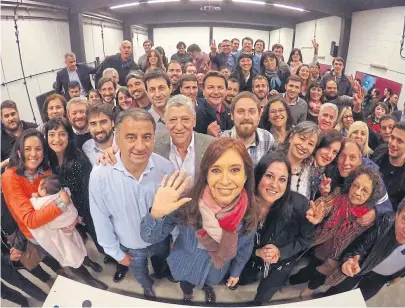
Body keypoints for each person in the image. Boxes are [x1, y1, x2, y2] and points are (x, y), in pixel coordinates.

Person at [140, 137, 259, 304]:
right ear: (206, 174)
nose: (225, 181)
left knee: (208, 284)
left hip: (215, 271)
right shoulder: (188, 202)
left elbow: (245, 248)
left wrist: (236, 271)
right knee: (186, 286)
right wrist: (156, 214)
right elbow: (149, 237)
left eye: (234, 170)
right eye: (216, 170)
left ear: (246, 175)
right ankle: (188, 295)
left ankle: (207, 288)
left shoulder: (249, 212)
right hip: (185, 266)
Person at [1, 129, 107, 289]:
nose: (33, 154)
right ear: (19, 151)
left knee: (76, 243)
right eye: (27, 148)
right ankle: (89, 280)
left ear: (44, 152)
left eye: (38, 149)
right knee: (67, 254)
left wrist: (70, 217)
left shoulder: (44, 170)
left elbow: (57, 193)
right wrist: (61, 205)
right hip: (42, 231)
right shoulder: (10, 177)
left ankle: (88, 261)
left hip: (58, 220)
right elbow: (31, 220)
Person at [90, 109, 174, 299]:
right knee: (140, 273)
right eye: (130, 137)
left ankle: (161, 273)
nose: (140, 145)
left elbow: (173, 211)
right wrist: (116, 253)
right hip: (131, 245)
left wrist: (174, 238)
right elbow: (100, 218)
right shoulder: (101, 175)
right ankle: (147, 287)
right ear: (117, 140)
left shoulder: (165, 168)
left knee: (161, 263)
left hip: (161, 240)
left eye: (147, 137)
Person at [290, 165, 384, 297]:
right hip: (321, 247)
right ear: (350, 184)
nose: (357, 192)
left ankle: (311, 288)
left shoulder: (368, 219)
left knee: (321, 277)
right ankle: (293, 282)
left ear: (370, 196)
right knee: (310, 268)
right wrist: (317, 212)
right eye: (356, 186)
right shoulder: (339, 194)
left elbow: (361, 245)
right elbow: (326, 204)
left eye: (364, 191)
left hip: (338, 257)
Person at [235, 152, 314, 304]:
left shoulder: (299, 205)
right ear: (258, 176)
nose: (275, 185)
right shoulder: (242, 201)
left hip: (281, 262)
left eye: (282, 179)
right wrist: (256, 252)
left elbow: (306, 239)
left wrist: (281, 252)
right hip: (249, 257)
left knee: (264, 295)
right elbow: (232, 240)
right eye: (269, 176)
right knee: (243, 279)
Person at [323, 199, 405, 300]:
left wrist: (400, 275)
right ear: (397, 214)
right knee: (336, 293)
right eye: (404, 219)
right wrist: (348, 262)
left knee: (359, 300)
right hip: (361, 266)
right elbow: (359, 248)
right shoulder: (384, 223)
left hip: (380, 278)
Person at [29, 175, 101, 270]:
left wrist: (34, 198)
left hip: (62, 232)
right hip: (68, 228)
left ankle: (88, 263)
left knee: (73, 251)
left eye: (39, 186)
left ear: (44, 191)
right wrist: (73, 220)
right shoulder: (63, 193)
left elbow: (54, 214)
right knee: (76, 249)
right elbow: (70, 208)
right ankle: (90, 263)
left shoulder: (43, 203)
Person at [323, 140, 393, 219]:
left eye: (352, 158)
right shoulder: (331, 169)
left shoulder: (372, 178)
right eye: (342, 156)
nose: (346, 162)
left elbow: (387, 208)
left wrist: (375, 213)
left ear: (360, 159)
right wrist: (324, 193)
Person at [154, 95, 213, 183]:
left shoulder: (210, 145)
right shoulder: (154, 147)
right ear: (166, 122)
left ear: (194, 121)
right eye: (173, 120)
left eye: (185, 119)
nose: (179, 127)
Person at [222, 92, 274, 166]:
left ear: (259, 115)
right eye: (240, 111)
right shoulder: (221, 141)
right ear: (232, 115)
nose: (246, 117)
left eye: (252, 112)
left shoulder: (267, 139)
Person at [278, 121, 322, 200]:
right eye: (302, 138)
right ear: (291, 137)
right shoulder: (273, 162)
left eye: (310, 144)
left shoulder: (312, 172)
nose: (304, 146)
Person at [371, 122, 405, 211]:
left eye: (400, 141)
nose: (393, 144)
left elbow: (400, 213)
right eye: (392, 137)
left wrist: (377, 213)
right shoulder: (380, 151)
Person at [195, 71, 233, 136]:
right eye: (211, 87)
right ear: (203, 91)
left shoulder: (231, 114)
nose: (216, 92)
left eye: (220, 87)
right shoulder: (196, 116)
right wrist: (207, 136)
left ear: (226, 91)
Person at [1, 100, 37, 167]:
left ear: (18, 113)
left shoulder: (34, 128)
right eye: (6, 116)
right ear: (2, 120)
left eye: (13, 114)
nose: (11, 118)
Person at [311, 130, 343, 200]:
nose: (329, 155)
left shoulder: (327, 172)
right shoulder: (303, 163)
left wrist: (321, 192)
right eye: (327, 148)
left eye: (334, 152)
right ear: (319, 145)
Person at [145, 70, 171, 135]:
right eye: (152, 90)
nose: (157, 94)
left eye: (161, 88)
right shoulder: (144, 122)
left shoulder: (182, 114)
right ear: (147, 93)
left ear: (170, 88)